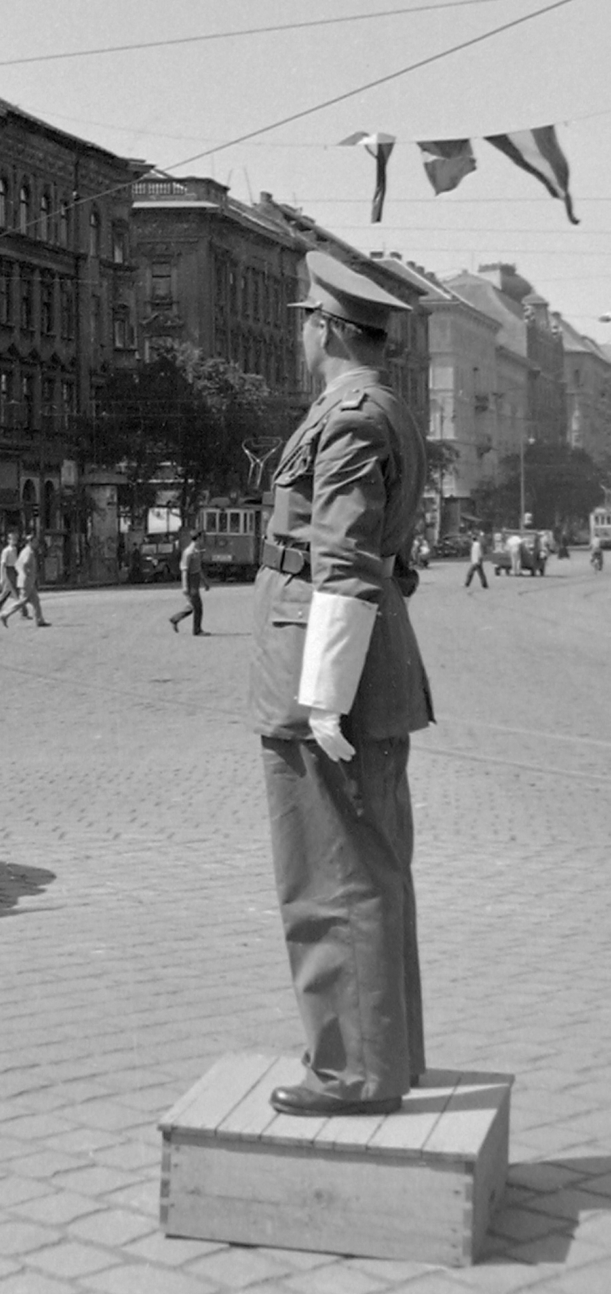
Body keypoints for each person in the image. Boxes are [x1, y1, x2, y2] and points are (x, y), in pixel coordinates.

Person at [250, 251, 433, 1119]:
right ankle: (389, 1058)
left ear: (324, 327)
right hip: (354, 662)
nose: (299, 335)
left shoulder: (350, 417)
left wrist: (323, 697)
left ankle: (353, 1073)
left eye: (302, 322)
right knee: (374, 869)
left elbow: (350, 562)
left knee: (330, 880)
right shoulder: (376, 407)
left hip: (330, 673)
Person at [0, 532, 48, 626]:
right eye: (35, 542)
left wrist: (22, 574)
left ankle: (39, 620)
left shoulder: (24, 551)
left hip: (26, 581)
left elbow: (17, 564)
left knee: (36, 601)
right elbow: (24, 564)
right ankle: (4, 614)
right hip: (27, 582)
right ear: (30, 542)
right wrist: (27, 573)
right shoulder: (29, 552)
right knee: (22, 601)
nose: (37, 544)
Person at [170, 529, 210, 634]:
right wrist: (185, 587)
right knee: (198, 607)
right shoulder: (188, 552)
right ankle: (197, 630)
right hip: (191, 583)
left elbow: (198, 569)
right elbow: (184, 570)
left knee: (191, 606)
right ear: (199, 538)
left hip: (195, 582)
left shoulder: (197, 552)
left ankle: (175, 619)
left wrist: (205, 582)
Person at [0, 529, 27, 620]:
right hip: (8, 571)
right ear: (8, 540)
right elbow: (2, 564)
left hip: (14, 570)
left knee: (5, 594)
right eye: (12, 539)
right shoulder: (6, 551)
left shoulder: (14, 549)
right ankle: (23, 612)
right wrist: (1, 577)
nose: (14, 541)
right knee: (16, 592)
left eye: (15, 539)